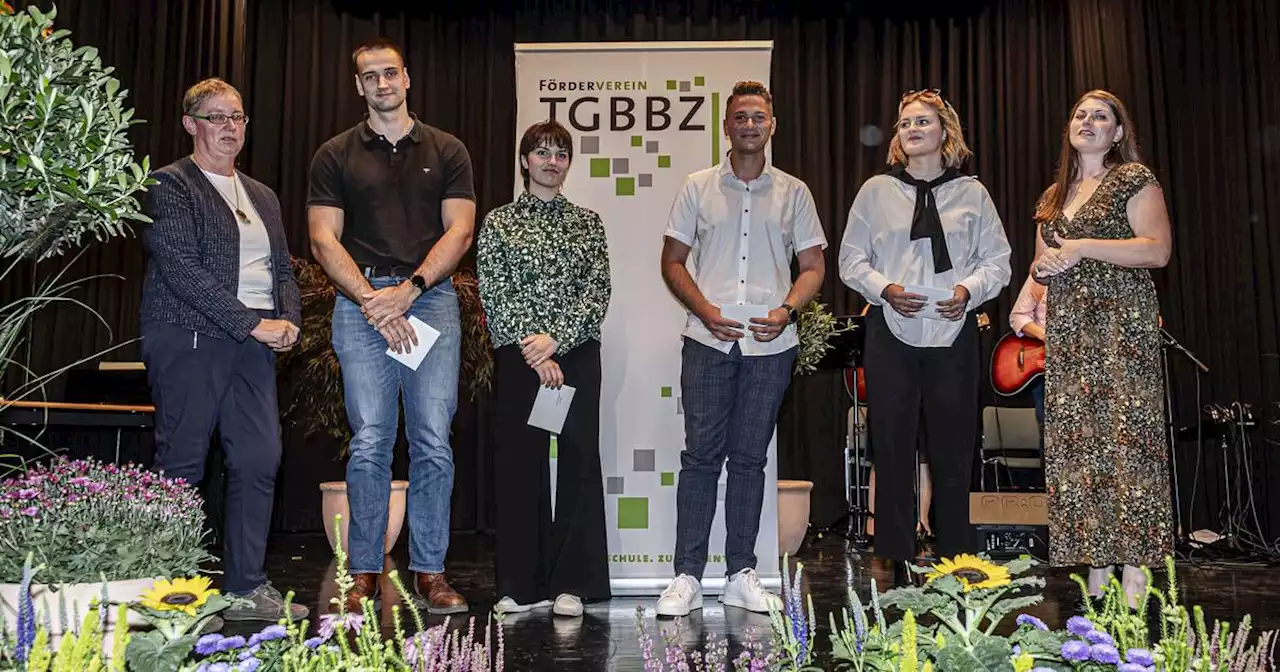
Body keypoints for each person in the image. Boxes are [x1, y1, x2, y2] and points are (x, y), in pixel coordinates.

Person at [307, 39, 475, 614]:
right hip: (361, 306)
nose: (382, 83)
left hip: (429, 301)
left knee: (432, 441)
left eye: (390, 73)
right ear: (358, 86)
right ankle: (364, 572)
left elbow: (459, 231)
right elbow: (322, 237)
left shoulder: (448, 149)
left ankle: (430, 573)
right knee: (371, 441)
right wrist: (371, 299)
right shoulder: (334, 154)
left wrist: (410, 292)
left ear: (408, 79)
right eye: (369, 76)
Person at [656, 81, 827, 617]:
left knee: (751, 461)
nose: (750, 124)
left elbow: (815, 267)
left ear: (771, 126)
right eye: (740, 117)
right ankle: (686, 576)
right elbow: (672, 261)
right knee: (701, 459)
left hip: (771, 347)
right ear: (725, 126)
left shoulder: (794, 192)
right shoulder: (697, 187)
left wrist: (787, 311)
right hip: (707, 342)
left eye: (759, 117)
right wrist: (706, 310)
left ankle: (740, 573)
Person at [140, 77, 307, 622]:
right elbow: (181, 269)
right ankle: (170, 599)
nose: (229, 126)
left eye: (236, 116)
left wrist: (288, 322)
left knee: (260, 458)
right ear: (191, 124)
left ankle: (245, 587)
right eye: (215, 116)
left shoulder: (262, 195)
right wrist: (250, 323)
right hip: (190, 336)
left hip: (253, 342)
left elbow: (282, 266)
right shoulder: (170, 185)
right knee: (183, 464)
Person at [839, 89, 1012, 572]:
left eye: (923, 122)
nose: (913, 129)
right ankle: (894, 558)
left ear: (944, 133)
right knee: (891, 447)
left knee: (953, 450)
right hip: (891, 331)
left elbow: (998, 262)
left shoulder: (972, 193)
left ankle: (957, 558)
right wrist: (885, 288)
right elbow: (850, 259)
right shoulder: (875, 192)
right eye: (905, 124)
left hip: (953, 332)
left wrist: (967, 291)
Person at [1031, 89, 1172, 608]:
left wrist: (1084, 247)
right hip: (1070, 334)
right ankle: (1096, 577)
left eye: (1100, 117)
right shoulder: (1054, 195)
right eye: (1079, 114)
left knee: (1126, 447)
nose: (1087, 122)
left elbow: (1157, 249)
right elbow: (1041, 264)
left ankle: (1134, 579)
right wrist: (1041, 267)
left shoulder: (1134, 179)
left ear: (1117, 133)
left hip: (1120, 331)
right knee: (1079, 452)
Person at [477, 119, 613, 618]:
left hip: (575, 351)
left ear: (568, 164)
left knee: (578, 460)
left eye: (560, 154)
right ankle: (520, 584)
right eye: (542, 152)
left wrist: (558, 340)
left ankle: (572, 583)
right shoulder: (498, 223)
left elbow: (597, 290)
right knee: (519, 462)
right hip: (519, 353)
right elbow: (495, 287)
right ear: (524, 160)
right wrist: (535, 351)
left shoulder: (588, 223)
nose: (551, 161)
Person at [1008, 273, 1048, 430]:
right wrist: (1043, 335)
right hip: (1044, 369)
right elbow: (1018, 316)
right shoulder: (1043, 271)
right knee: (1047, 430)